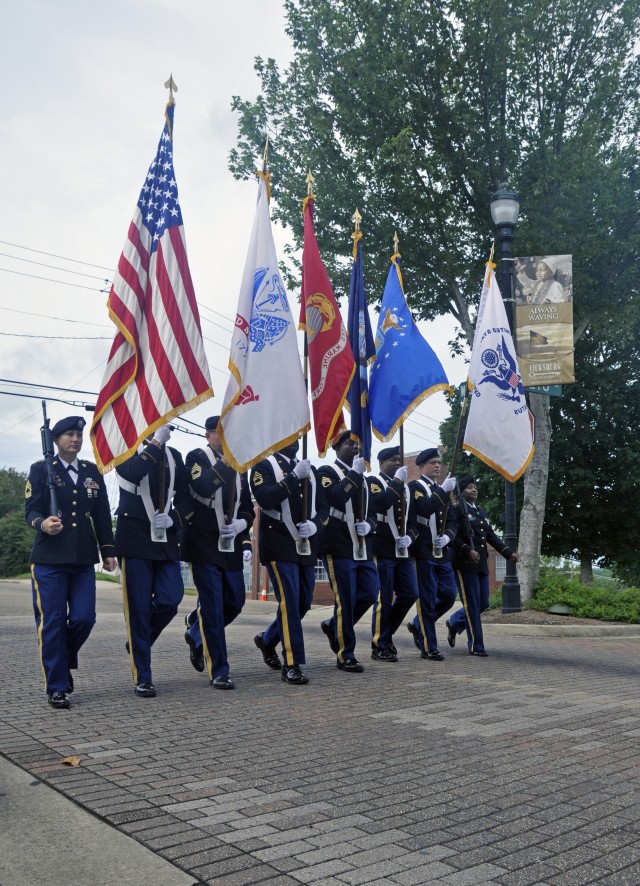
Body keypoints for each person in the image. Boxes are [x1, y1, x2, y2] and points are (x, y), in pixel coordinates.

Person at [25, 415, 116, 709]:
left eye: (78, 434)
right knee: (52, 623)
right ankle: (57, 686)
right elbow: (31, 510)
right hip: (49, 560)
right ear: (55, 439)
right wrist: (42, 523)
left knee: (83, 618)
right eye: (68, 435)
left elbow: (102, 515)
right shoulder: (41, 470)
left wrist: (108, 550)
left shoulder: (92, 472)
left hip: (82, 559)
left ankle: (62, 661)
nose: (75, 439)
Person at [179, 416, 254, 690]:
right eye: (219, 434)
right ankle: (219, 669)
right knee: (211, 606)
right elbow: (203, 486)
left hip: (230, 543)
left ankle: (196, 630)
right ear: (209, 435)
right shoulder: (197, 457)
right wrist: (225, 462)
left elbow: (246, 505)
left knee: (234, 602)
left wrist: (242, 525)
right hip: (202, 542)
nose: (225, 439)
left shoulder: (240, 466)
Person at [115, 424, 189, 697]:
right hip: (134, 538)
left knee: (171, 599)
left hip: (165, 540)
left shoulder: (175, 456)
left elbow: (186, 498)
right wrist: (155, 443)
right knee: (138, 609)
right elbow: (133, 473)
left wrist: (175, 518)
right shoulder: (125, 449)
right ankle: (142, 676)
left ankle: (138, 642)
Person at [250, 439, 327, 685]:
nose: (294, 440)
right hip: (279, 544)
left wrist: (315, 524)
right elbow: (266, 499)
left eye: (297, 436)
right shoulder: (263, 467)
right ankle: (292, 663)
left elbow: (324, 507)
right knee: (291, 602)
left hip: (305, 547)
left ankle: (267, 639)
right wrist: (293, 476)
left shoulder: (310, 469)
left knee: (303, 602)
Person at [316, 431, 379, 673]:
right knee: (346, 599)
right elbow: (335, 497)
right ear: (336, 447)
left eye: (357, 444)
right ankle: (345, 653)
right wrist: (354, 474)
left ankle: (335, 626)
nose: (355, 447)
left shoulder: (362, 478)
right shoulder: (327, 472)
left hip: (361, 546)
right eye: (349, 443)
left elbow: (372, 510)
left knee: (370, 592)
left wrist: (370, 525)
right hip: (338, 543)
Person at [448, 476, 520, 656]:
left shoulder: (481, 512)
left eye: (475, 487)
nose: (474, 490)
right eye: (469, 487)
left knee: (483, 603)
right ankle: (476, 646)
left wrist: (508, 553)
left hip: (480, 563)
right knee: (472, 604)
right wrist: (467, 550)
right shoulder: (456, 511)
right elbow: (453, 537)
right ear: (461, 491)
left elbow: (491, 537)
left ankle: (455, 622)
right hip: (465, 563)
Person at [406, 448, 457, 661]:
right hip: (423, 549)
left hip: (440, 552)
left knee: (448, 594)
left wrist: (447, 537)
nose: (437, 465)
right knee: (426, 599)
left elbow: (453, 520)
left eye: (438, 462)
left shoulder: (442, 489)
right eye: (432, 462)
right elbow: (425, 508)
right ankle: (429, 647)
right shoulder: (415, 487)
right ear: (421, 466)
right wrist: (443, 491)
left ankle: (418, 624)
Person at [369, 446, 419, 662]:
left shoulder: (406, 489)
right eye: (392, 460)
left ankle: (386, 635)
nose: (398, 463)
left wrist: (410, 536)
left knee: (410, 592)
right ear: (381, 464)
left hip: (402, 551)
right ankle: (380, 645)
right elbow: (379, 505)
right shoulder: (373, 483)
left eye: (399, 460)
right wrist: (396, 482)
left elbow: (415, 521)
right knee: (384, 598)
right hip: (382, 548)